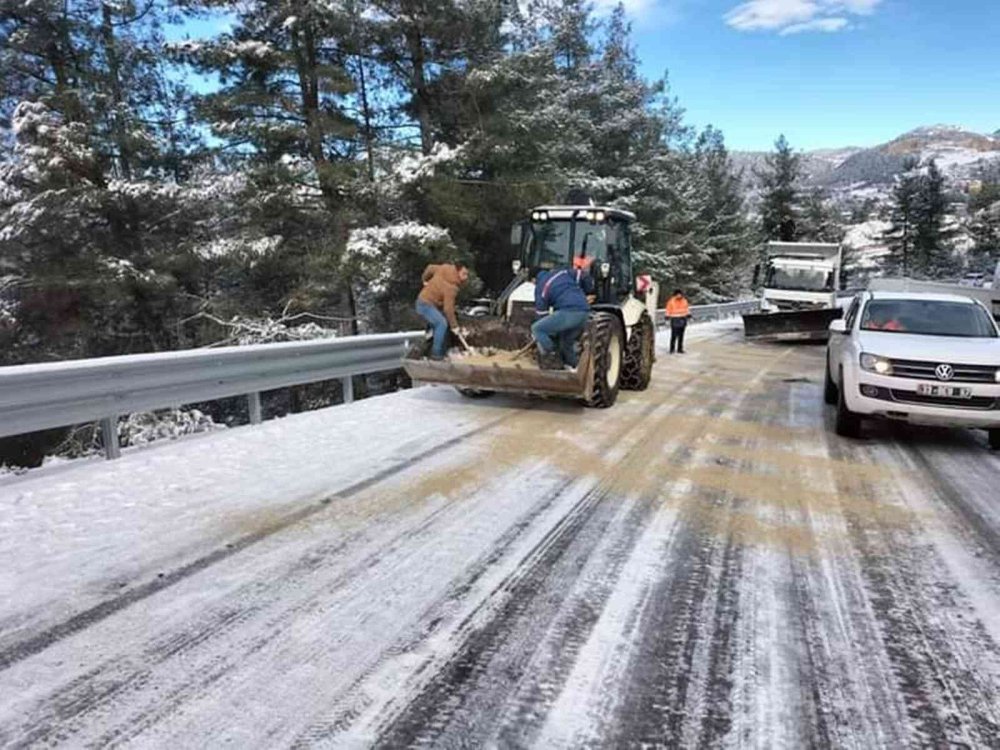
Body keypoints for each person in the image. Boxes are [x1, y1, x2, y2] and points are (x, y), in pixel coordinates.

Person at [532, 259, 594, 370]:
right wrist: (588, 291)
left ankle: (553, 356)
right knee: (565, 342)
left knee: (537, 329)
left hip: (569, 312)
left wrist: (545, 340)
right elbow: (583, 275)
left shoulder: (540, 287)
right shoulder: (563, 272)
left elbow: (541, 315)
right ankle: (576, 369)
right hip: (584, 312)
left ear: (534, 280)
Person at [416, 262, 469, 359]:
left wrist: (425, 279)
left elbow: (430, 267)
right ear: (457, 271)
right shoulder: (452, 288)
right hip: (424, 305)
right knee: (442, 323)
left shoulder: (444, 268)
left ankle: (433, 343)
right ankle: (436, 355)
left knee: (441, 325)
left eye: (467, 274)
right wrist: (455, 326)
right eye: (464, 274)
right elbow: (448, 309)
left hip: (429, 304)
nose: (466, 277)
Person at [665, 289, 691, 354]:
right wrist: (667, 316)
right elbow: (668, 309)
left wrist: (688, 314)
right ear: (675, 295)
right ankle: (672, 349)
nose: (679, 296)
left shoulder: (684, 301)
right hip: (675, 319)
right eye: (678, 294)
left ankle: (680, 349)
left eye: (680, 294)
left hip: (683, 318)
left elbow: (687, 308)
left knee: (681, 335)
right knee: (674, 335)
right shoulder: (671, 301)